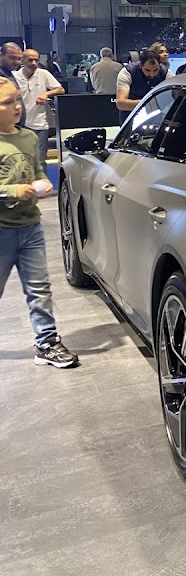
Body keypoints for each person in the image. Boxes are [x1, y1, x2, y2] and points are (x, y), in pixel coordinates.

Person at [0, 78, 78, 368]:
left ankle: (47, 342)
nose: (17, 106)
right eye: (7, 102)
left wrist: (42, 183)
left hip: (31, 227)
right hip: (2, 231)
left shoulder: (29, 138)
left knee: (39, 289)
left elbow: (38, 171)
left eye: (17, 99)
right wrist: (12, 191)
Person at [14, 49, 63, 168]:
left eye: (36, 60)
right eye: (30, 60)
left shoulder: (43, 74)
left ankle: (41, 180)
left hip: (40, 124)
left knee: (40, 161)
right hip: (20, 125)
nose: (34, 63)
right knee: (21, 161)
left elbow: (60, 89)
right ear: (22, 60)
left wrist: (46, 94)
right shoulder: (14, 76)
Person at [0, 43, 25, 127]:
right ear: (1, 55)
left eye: (19, 59)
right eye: (13, 58)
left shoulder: (8, 72)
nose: (17, 62)